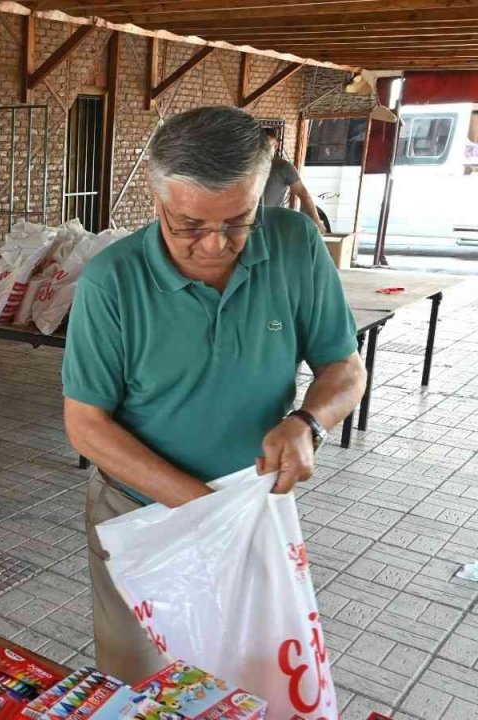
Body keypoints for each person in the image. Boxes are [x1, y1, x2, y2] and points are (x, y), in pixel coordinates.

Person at [61, 106, 367, 683]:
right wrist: (205, 512)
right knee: (142, 679)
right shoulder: (112, 280)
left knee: (248, 673)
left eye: (239, 220)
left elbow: (344, 367)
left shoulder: (296, 243)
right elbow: (86, 424)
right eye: (189, 225)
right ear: (156, 203)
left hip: (253, 509)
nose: (215, 245)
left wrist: (308, 422)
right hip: (142, 513)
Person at [262, 127, 325, 229]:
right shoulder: (248, 166)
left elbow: (303, 194)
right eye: (260, 145)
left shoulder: (283, 167)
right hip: (249, 224)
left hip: (272, 224)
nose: (263, 149)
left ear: (276, 145)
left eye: (267, 145)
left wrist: (316, 220)